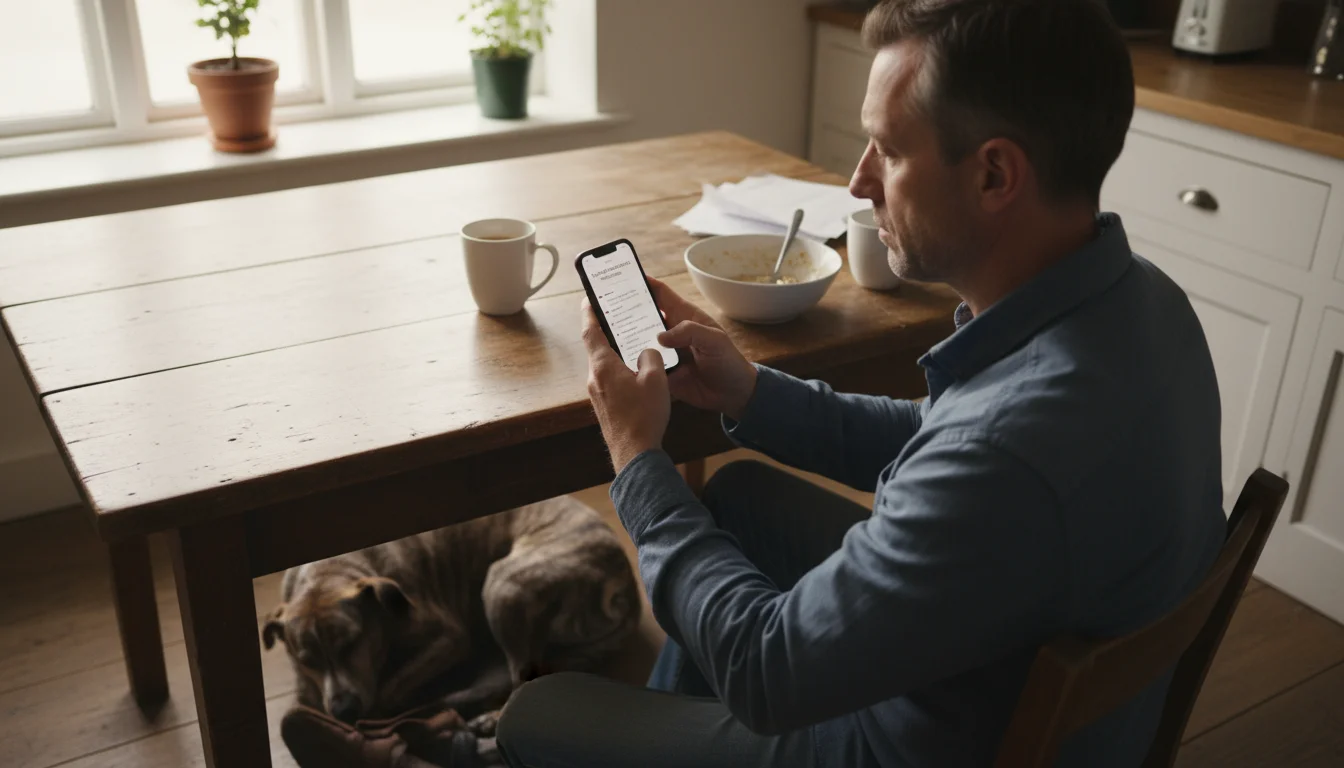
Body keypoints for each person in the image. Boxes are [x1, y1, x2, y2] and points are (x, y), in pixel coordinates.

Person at [495, 0, 1227, 765]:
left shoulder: (1004, 457)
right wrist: (749, 390)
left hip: (904, 743)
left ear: (995, 174)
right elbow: (943, 442)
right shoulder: (1144, 303)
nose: (858, 182)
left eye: (887, 149)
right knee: (740, 500)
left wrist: (638, 458)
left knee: (536, 711)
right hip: (1005, 673)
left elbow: (764, 670)